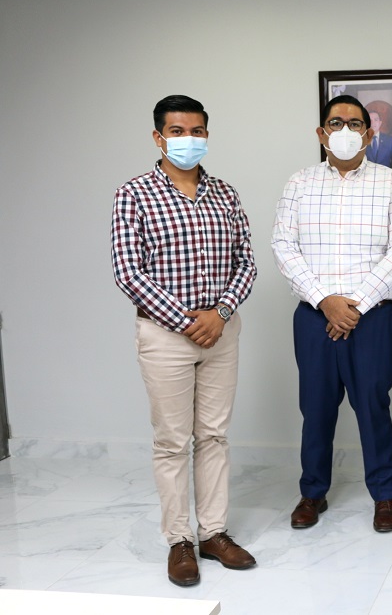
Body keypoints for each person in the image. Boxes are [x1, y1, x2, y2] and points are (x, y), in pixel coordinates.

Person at [111, 95, 257, 587]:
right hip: (164, 335)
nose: (187, 139)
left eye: (196, 131)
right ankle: (179, 541)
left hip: (221, 331)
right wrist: (186, 321)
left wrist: (220, 314)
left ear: (207, 135)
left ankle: (213, 533)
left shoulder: (225, 194)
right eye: (177, 131)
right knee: (172, 441)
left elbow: (246, 263)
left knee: (213, 435)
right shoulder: (133, 195)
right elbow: (128, 271)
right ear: (158, 137)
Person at [272, 94, 392, 534]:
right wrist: (326, 302)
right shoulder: (299, 183)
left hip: (372, 317)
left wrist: (355, 304)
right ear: (322, 133)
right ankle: (312, 492)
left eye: (355, 124)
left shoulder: (390, 183)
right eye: (336, 123)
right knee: (315, 408)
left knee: (373, 405)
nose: (346, 131)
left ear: (369, 134)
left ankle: (385, 495)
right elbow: (284, 246)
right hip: (314, 316)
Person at [365, 100, 392, 180]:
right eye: (370, 120)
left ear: (380, 123)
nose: (373, 123)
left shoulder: (389, 140)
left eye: (376, 120)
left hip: (385, 180)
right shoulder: (362, 140)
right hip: (366, 180)